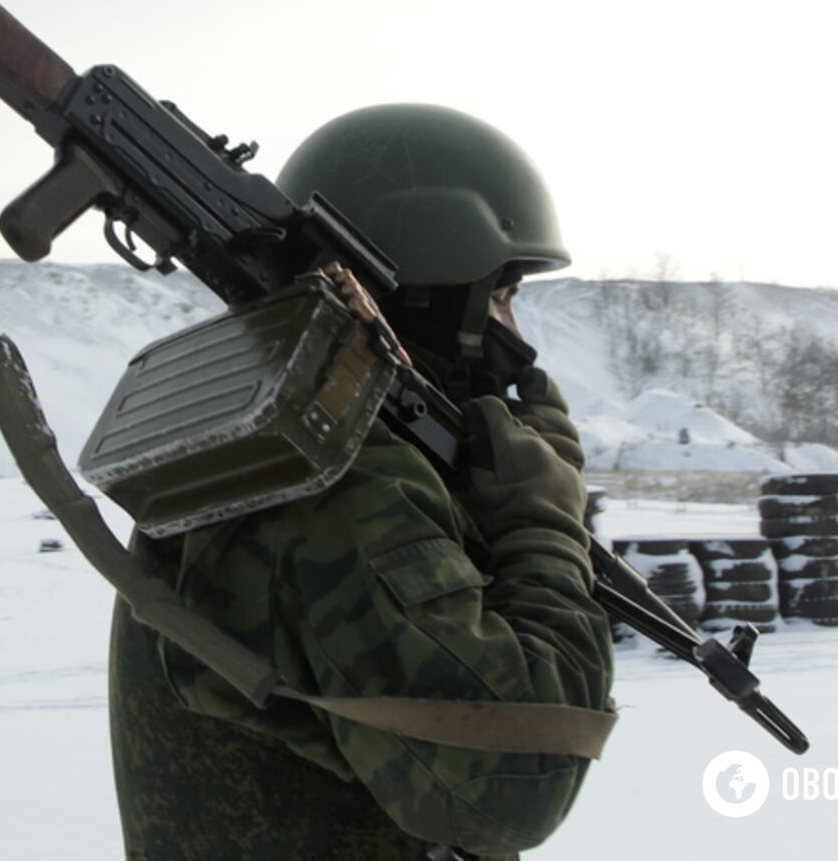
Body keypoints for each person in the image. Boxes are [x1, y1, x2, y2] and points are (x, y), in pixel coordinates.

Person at [109, 104, 613, 860]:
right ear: (431, 294)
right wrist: (544, 526)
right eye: (502, 296)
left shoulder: (293, 437)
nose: (516, 338)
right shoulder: (337, 483)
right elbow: (515, 788)